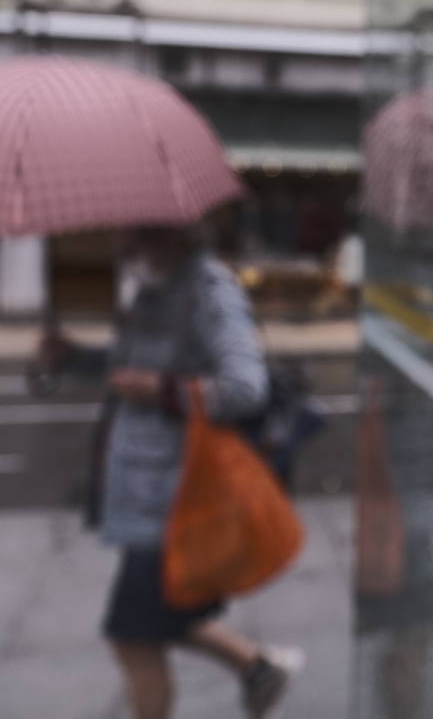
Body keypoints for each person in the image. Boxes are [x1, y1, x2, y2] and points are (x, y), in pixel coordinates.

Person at [39, 223, 302, 719]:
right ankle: (258, 670)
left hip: (177, 501)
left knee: (132, 638)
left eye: (128, 227)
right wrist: (70, 356)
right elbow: (127, 366)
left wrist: (164, 391)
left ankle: (259, 670)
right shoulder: (155, 288)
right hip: (147, 497)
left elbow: (247, 388)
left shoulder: (207, 290)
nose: (116, 239)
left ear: (164, 227)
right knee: (167, 617)